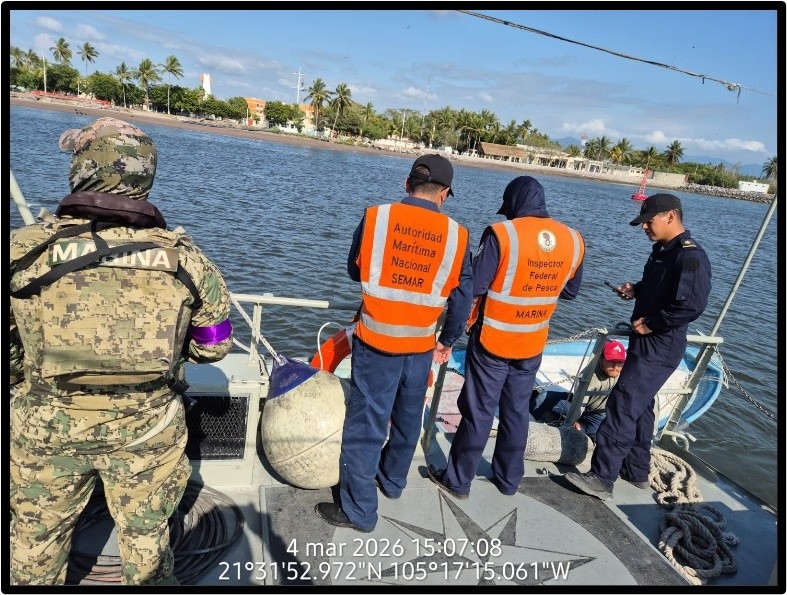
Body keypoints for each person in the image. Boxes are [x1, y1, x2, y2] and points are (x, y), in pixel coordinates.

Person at [9, 117, 234, 585]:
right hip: (148, 431)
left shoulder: (22, 251)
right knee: (147, 540)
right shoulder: (188, 262)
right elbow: (216, 344)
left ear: (82, 169)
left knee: (36, 541)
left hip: (46, 428)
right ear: (145, 176)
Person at [315, 154, 473, 532]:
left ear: (406, 184)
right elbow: (462, 299)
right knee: (407, 416)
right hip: (420, 346)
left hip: (376, 343)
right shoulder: (457, 236)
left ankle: (359, 511)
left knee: (366, 426)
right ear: (445, 193)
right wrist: (447, 340)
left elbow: (354, 269)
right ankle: (393, 481)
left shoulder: (376, 217)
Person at [428, 175, 585, 498]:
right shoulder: (573, 240)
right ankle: (509, 479)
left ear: (514, 203)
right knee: (516, 412)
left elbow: (475, 284)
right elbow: (570, 291)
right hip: (532, 343)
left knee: (479, 412)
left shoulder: (503, 234)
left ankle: (458, 481)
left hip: (493, 341)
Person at [565, 193, 711, 500]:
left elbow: (691, 306)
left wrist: (652, 323)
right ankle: (636, 469)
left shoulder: (689, 257)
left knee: (622, 404)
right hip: (646, 343)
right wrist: (637, 290)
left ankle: (601, 478)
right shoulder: (663, 251)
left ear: (670, 216)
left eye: (649, 221)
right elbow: (663, 290)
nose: (644, 227)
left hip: (660, 346)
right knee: (641, 407)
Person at [529, 339, 627, 439]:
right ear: (601, 358)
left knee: (595, 434)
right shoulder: (588, 377)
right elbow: (578, 405)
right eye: (611, 361)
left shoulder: (625, 373)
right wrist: (573, 420)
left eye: (620, 362)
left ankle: (575, 425)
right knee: (543, 398)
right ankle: (532, 425)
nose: (616, 366)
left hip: (600, 414)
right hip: (581, 405)